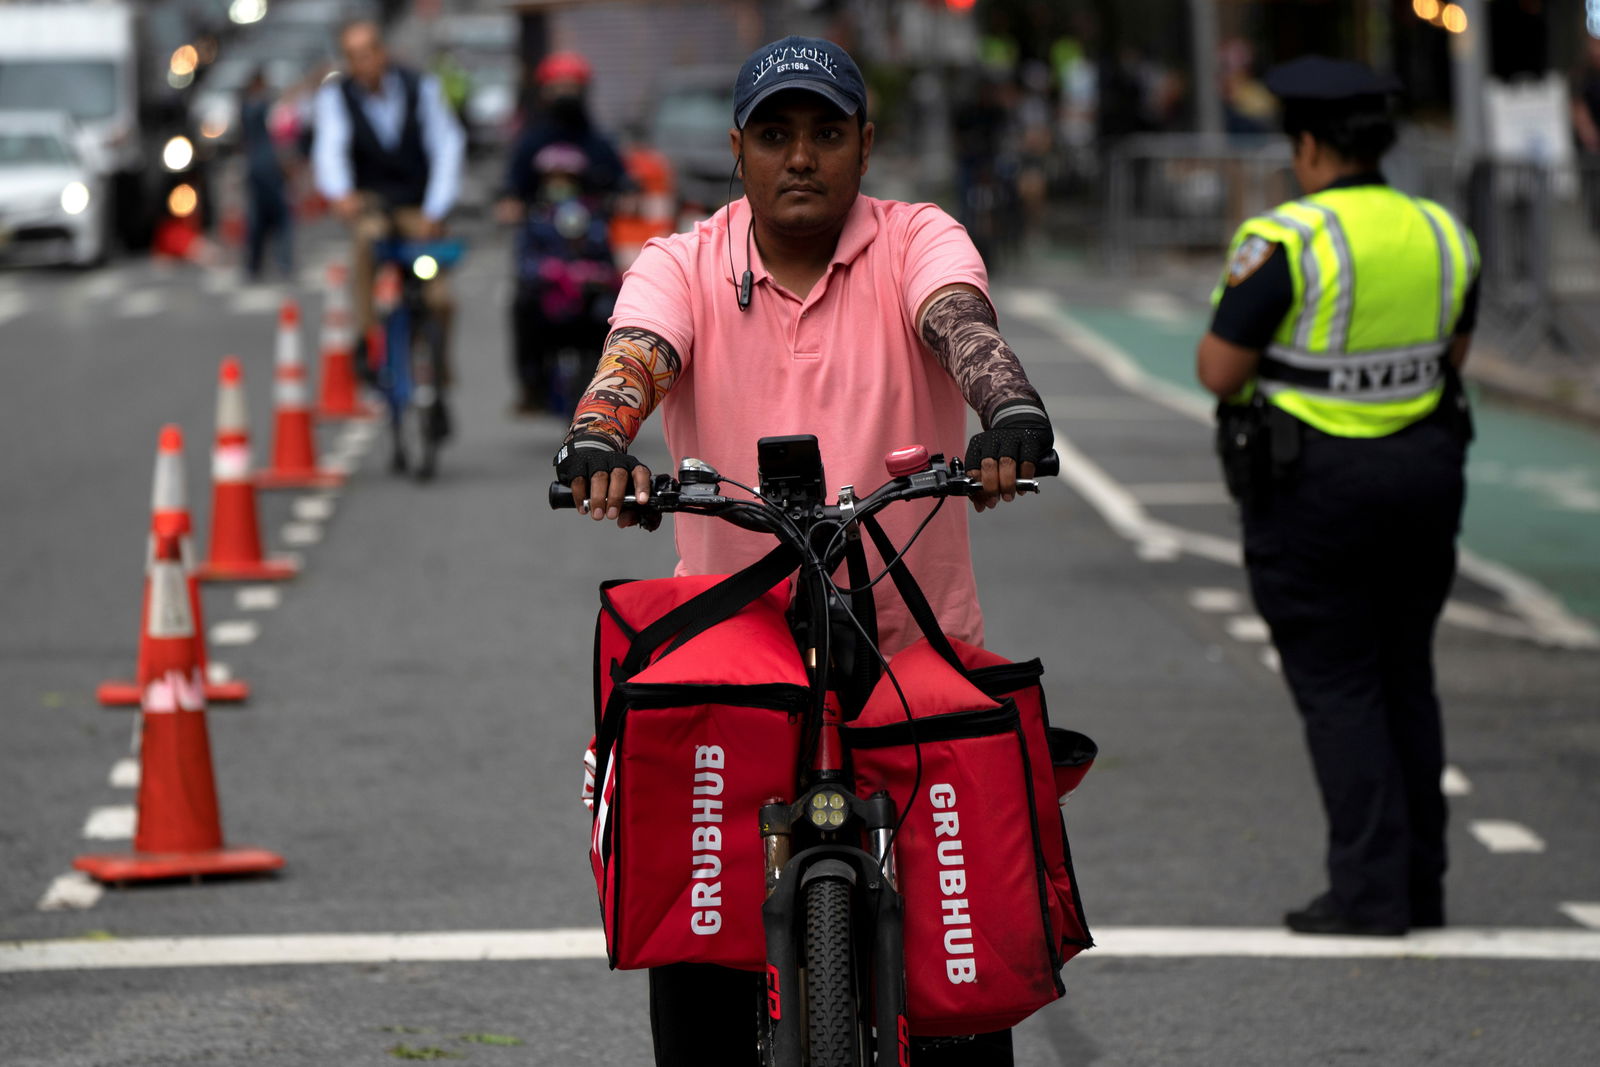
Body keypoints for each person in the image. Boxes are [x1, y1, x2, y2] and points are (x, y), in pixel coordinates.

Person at [552, 34, 1054, 1067]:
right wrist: (601, 439)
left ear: (864, 147)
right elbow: (634, 358)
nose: (800, 157)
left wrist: (1008, 414)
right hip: (738, 648)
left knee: (967, 947)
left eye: (826, 133)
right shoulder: (683, 262)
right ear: (737, 150)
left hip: (911, 642)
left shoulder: (918, 238)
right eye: (774, 134)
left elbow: (962, 325)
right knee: (698, 923)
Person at [1195, 56, 1480, 938]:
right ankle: (1421, 883)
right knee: (1406, 676)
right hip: (1427, 478)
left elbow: (1220, 368)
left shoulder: (1286, 239)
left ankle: (1367, 892)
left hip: (1311, 490)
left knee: (1339, 686)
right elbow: (1454, 356)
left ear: (1309, 145)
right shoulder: (1443, 231)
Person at [312, 18, 466, 384]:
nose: (363, 64)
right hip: (373, 205)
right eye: (353, 57)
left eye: (368, 53)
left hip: (417, 208)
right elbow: (329, 151)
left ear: (383, 52)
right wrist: (341, 194)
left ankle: (439, 367)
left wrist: (436, 208)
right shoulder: (337, 96)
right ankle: (366, 337)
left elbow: (447, 146)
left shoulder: (421, 88)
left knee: (440, 298)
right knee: (366, 241)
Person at [497, 52, 629, 414]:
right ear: (544, 91)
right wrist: (510, 201)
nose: (566, 93)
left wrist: (625, 194)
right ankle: (530, 384)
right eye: (559, 87)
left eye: (573, 86)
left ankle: (610, 383)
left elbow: (622, 179)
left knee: (614, 306)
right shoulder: (531, 140)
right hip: (543, 243)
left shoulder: (598, 140)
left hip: (591, 245)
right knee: (524, 303)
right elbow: (510, 185)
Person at [240, 68, 292, 282]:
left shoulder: (247, 107)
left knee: (260, 220)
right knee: (278, 218)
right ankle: (279, 262)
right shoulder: (259, 107)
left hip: (257, 168)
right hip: (266, 169)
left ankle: (257, 264)